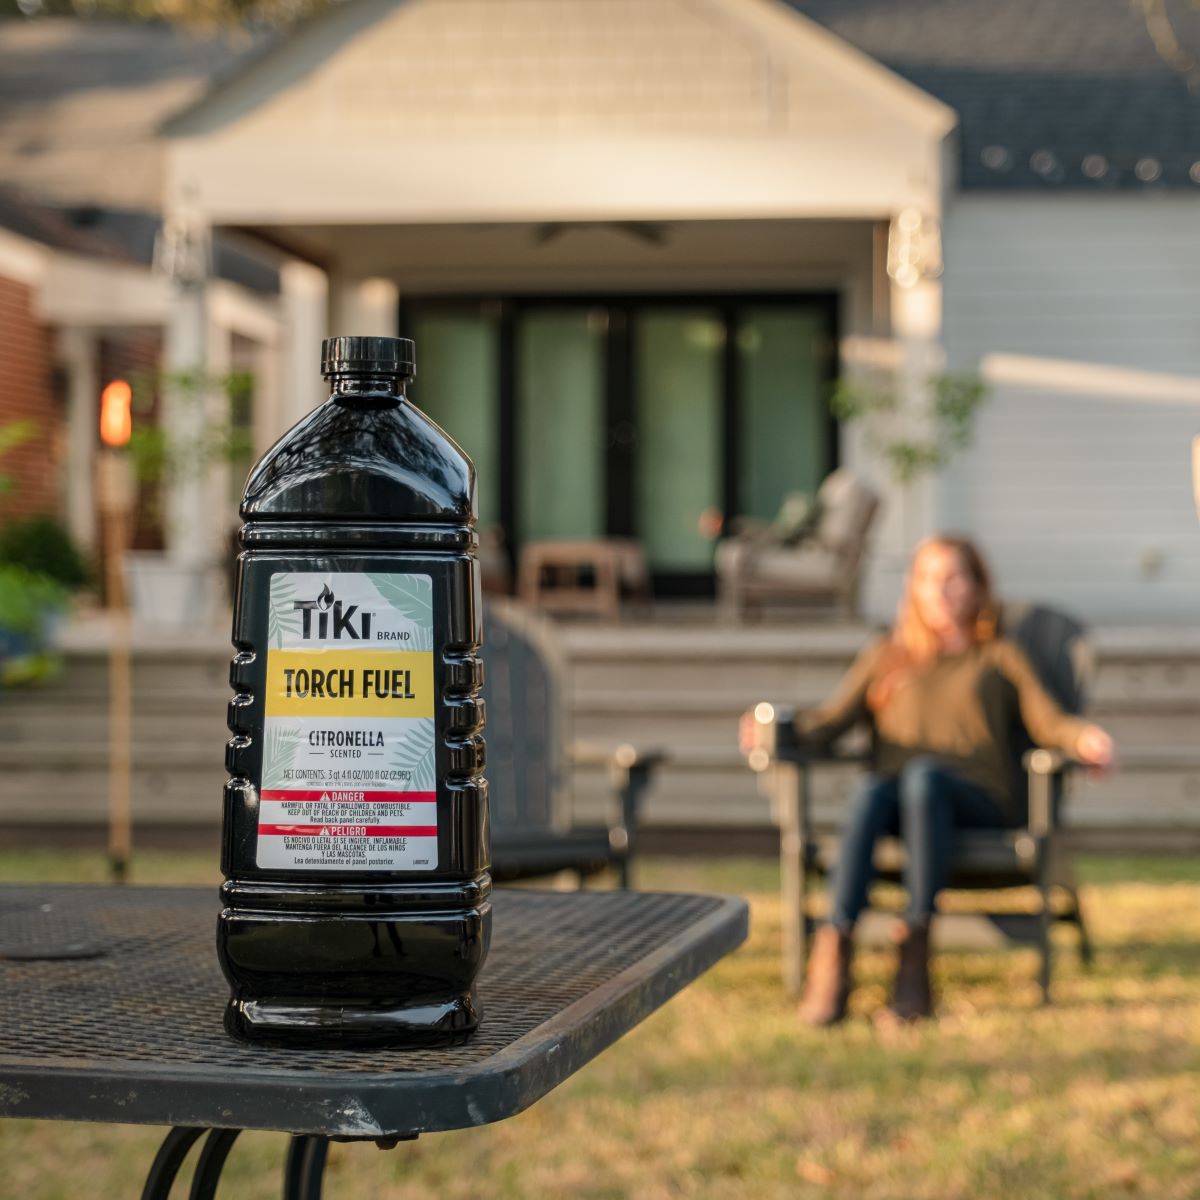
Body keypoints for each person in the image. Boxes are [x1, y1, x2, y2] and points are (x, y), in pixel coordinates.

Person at [744, 534, 1114, 1026]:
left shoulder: (999, 656)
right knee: (874, 787)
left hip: (980, 805)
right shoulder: (887, 656)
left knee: (924, 777)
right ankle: (834, 956)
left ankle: (914, 960)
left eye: (953, 577)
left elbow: (1049, 721)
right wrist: (772, 727)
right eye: (928, 578)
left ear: (977, 586)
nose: (940, 590)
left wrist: (1085, 737)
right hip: (900, 811)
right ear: (912, 589)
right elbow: (830, 722)